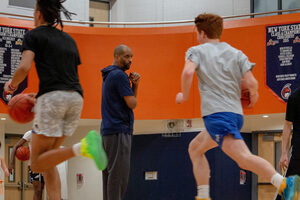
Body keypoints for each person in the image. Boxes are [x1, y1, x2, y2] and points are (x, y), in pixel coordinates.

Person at [175, 13, 300, 200]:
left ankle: (283, 183)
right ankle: (203, 195)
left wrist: (183, 95)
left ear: (201, 33)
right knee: (195, 148)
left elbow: (187, 72)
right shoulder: (236, 53)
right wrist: (254, 97)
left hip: (218, 115)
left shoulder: (196, 51)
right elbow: (251, 82)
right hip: (234, 114)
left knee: (243, 158)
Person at [3, 0, 107, 199]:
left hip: (53, 99)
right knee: (49, 162)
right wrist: (41, 97)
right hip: (76, 99)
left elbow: (24, 68)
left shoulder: (34, 35)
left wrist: (12, 85)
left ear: (39, 14)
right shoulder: (68, 39)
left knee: (37, 163)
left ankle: (83, 147)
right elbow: (65, 76)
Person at [101, 44, 140, 200]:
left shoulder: (109, 75)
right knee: (118, 178)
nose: (130, 60)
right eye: (126, 56)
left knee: (109, 176)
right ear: (116, 56)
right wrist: (136, 86)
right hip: (119, 130)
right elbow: (132, 103)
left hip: (108, 131)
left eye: (131, 57)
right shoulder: (119, 75)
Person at [275, 88, 300, 200]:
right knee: (287, 189)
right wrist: (284, 153)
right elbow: (287, 125)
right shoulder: (295, 97)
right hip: (298, 152)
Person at [9, 130, 44, 200]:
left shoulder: (48, 134)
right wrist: (11, 163)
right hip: (34, 165)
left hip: (45, 164)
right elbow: (15, 146)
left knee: (41, 190)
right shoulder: (30, 133)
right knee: (38, 190)